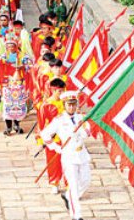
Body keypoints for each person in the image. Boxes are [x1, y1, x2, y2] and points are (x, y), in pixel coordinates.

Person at [41, 91, 91, 220]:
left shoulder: (81, 118)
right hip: (69, 156)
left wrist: (79, 129)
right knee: (73, 186)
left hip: (82, 154)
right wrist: (55, 147)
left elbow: (87, 133)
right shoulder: (59, 120)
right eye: (69, 105)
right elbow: (45, 134)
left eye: (74, 104)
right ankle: (76, 215)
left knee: (85, 181)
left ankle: (68, 196)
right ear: (64, 105)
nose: (72, 107)